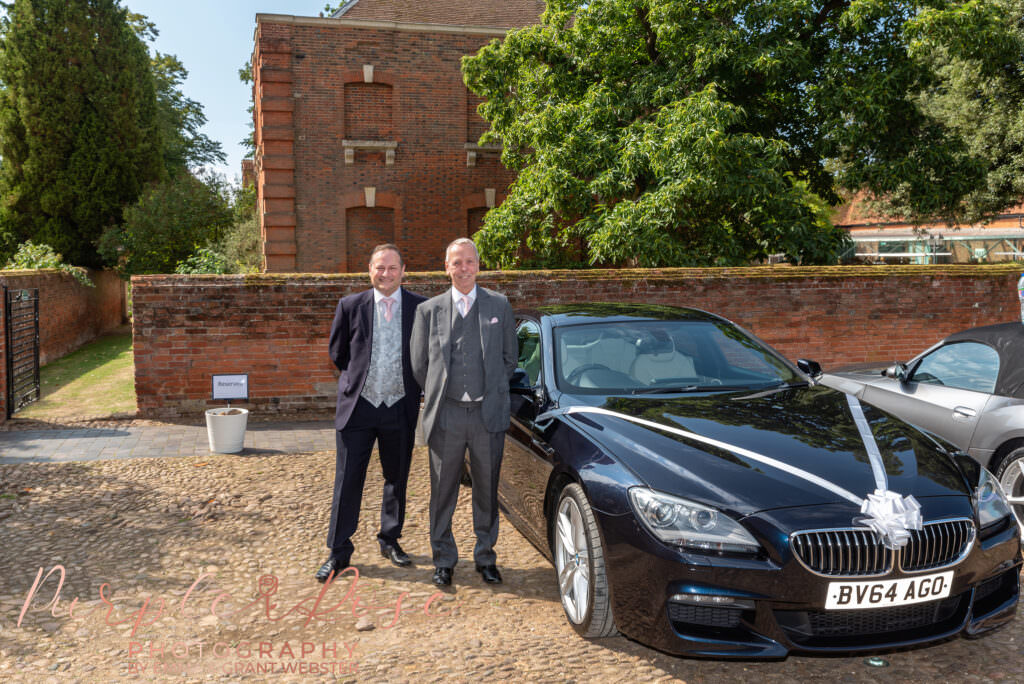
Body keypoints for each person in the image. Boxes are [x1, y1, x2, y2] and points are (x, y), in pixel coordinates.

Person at [316, 244, 426, 583]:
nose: (386, 274)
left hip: (399, 407)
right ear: (369, 269)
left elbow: (424, 355)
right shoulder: (350, 306)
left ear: (403, 270)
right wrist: (360, 382)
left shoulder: (420, 308)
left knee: (397, 478)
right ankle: (338, 551)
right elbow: (339, 353)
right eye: (380, 268)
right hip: (359, 409)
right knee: (348, 480)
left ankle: (390, 539)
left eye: (392, 268)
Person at [410, 237, 517, 586]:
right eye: (456, 262)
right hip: (447, 415)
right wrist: (444, 392)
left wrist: (491, 391)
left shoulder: (498, 306)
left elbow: (509, 358)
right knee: (443, 491)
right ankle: (443, 559)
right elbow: (419, 363)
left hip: (488, 415)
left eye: (469, 261)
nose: (463, 269)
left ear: (478, 265)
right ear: (446, 268)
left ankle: (485, 556)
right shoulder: (429, 310)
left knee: (487, 490)